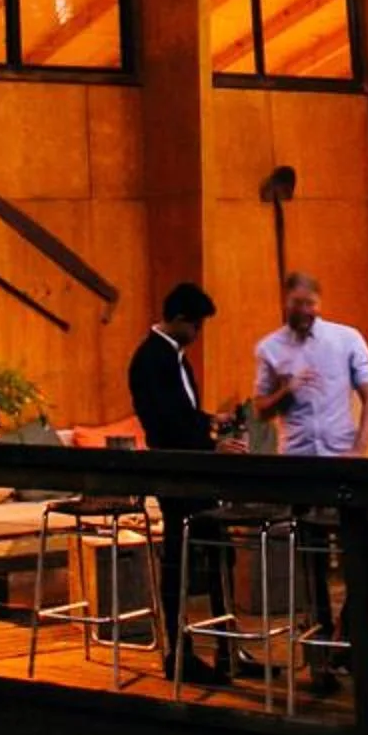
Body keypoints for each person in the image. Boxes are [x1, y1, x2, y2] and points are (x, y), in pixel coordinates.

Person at [250, 271, 368, 687]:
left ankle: (347, 629)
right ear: (285, 303)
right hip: (300, 464)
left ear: (319, 304)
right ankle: (321, 652)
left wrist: (360, 448)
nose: (304, 311)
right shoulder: (269, 348)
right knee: (312, 562)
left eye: (310, 303)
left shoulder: (346, 338)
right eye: (296, 304)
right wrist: (285, 390)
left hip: (343, 461)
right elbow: (260, 410)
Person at [125, 281, 255, 685]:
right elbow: (164, 422)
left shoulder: (175, 357)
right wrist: (211, 446)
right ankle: (179, 653)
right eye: (196, 326)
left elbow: (183, 413)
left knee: (220, 554)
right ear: (179, 318)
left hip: (193, 469)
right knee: (179, 561)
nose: (199, 334)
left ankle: (226, 648)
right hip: (175, 473)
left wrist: (208, 422)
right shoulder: (151, 359)